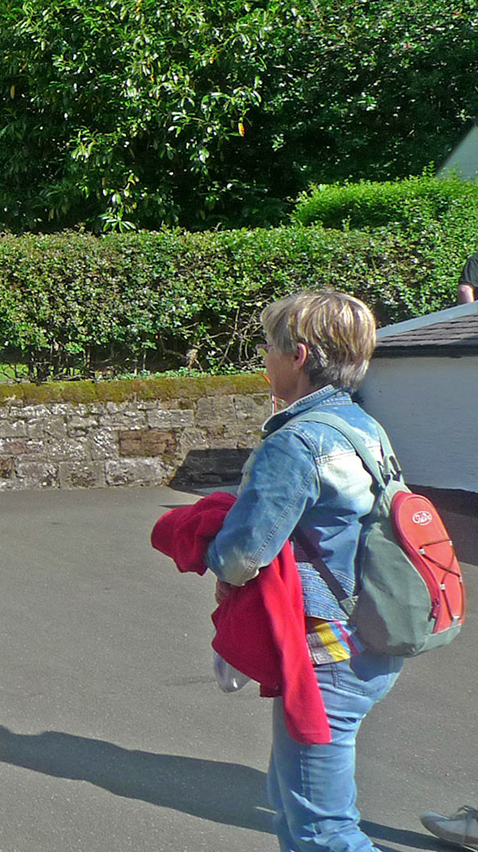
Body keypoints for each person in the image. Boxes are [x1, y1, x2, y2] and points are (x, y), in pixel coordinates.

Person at [204, 290, 398, 852]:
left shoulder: (295, 442)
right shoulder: (363, 426)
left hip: (327, 650)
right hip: (372, 632)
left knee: (322, 830)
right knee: (293, 808)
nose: (263, 358)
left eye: (269, 346)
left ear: (299, 355)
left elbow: (242, 555)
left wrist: (208, 542)